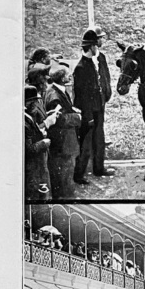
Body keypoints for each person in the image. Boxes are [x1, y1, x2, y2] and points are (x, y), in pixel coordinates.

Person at [72, 28, 112, 186]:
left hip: (99, 106)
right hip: (88, 111)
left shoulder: (99, 59)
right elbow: (80, 95)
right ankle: (79, 175)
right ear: (91, 46)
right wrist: (87, 116)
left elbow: (104, 79)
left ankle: (99, 168)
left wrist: (105, 97)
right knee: (86, 143)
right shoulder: (81, 68)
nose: (99, 46)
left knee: (99, 138)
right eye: (97, 43)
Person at [43, 66, 81, 199]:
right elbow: (60, 119)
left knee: (64, 174)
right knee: (65, 173)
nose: (70, 76)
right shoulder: (55, 96)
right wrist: (77, 117)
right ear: (61, 78)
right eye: (67, 75)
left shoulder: (54, 90)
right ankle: (66, 198)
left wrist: (71, 109)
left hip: (62, 143)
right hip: (63, 144)